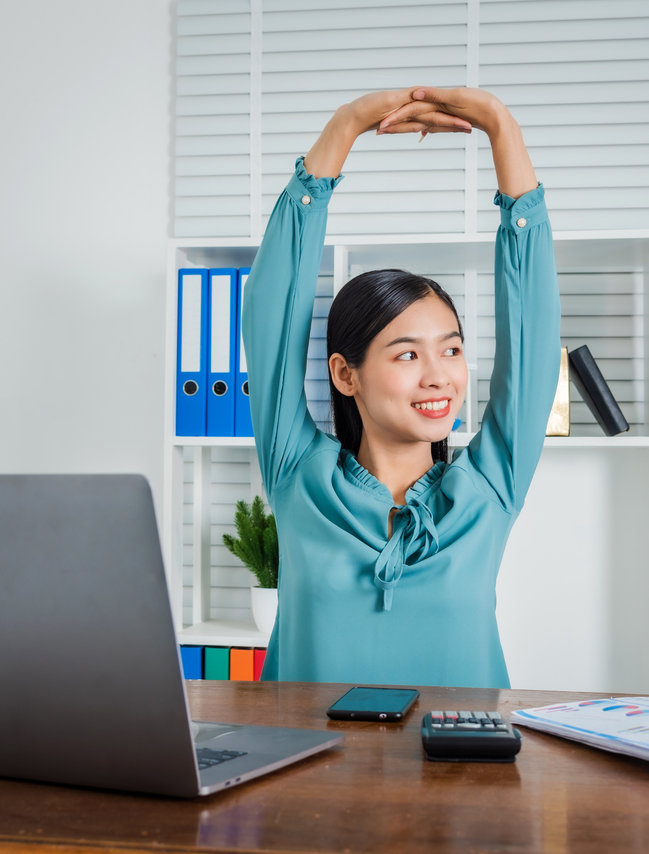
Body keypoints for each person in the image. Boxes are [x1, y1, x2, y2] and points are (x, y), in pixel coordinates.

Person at [242, 86, 560, 689]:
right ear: (345, 374)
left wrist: (501, 128)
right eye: (407, 353)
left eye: (452, 349)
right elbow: (272, 313)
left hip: (464, 773)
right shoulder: (299, 476)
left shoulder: (488, 487)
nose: (438, 374)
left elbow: (533, 338)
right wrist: (345, 126)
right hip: (309, 779)